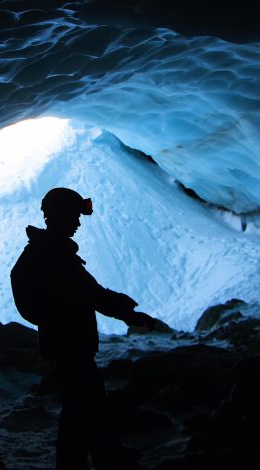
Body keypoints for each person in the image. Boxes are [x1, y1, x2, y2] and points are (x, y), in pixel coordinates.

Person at [10, 187, 156, 470]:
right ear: (61, 216)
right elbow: (91, 294)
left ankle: (89, 458)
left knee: (80, 405)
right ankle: (101, 458)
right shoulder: (55, 256)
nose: (78, 223)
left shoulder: (47, 252)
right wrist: (128, 313)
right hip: (71, 343)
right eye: (74, 217)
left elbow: (87, 293)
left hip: (64, 342)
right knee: (88, 404)